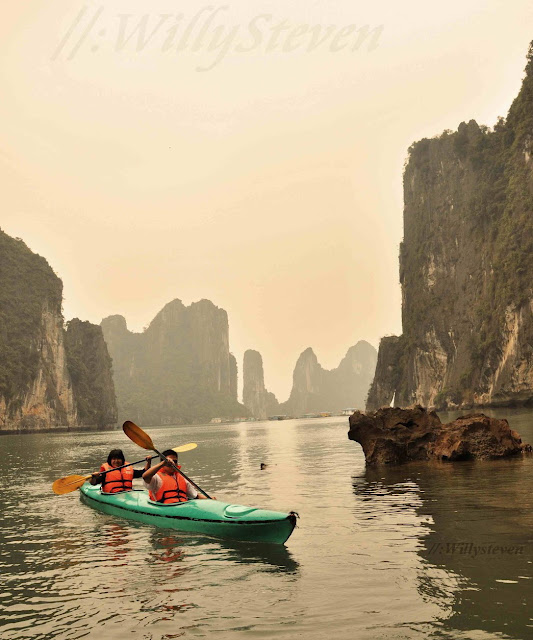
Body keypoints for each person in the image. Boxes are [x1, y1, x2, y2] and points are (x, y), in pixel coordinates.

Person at [142, 449, 213, 503]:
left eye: (175, 461)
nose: (172, 463)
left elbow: (195, 496)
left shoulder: (182, 478)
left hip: (182, 506)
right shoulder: (156, 478)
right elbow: (145, 476)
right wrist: (163, 463)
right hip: (164, 508)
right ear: (162, 463)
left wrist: (210, 500)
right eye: (169, 461)